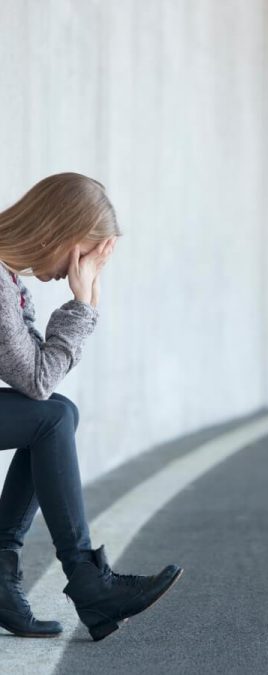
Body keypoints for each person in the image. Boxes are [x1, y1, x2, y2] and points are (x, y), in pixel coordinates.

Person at [0, 172, 183, 642]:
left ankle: (21, 574)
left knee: (59, 414)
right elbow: (38, 379)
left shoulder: (8, 279)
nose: (76, 270)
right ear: (54, 232)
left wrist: (84, 306)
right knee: (53, 416)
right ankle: (87, 582)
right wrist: (81, 307)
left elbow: (37, 371)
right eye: (82, 255)